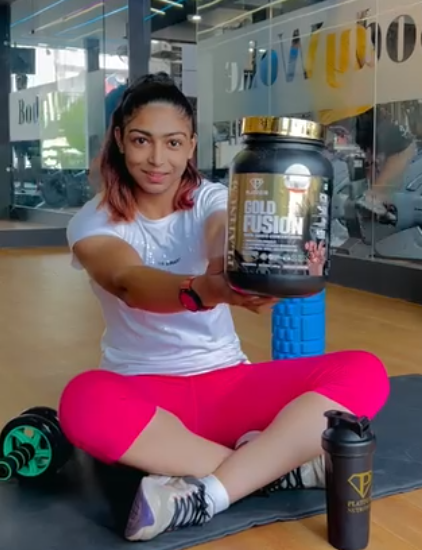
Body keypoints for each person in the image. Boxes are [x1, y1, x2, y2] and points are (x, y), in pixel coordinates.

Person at [58, 73, 390, 543]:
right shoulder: (92, 221)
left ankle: (205, 494)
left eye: (173, 142)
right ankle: (278, 469)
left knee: (365, 372)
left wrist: (236, 272)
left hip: (229, 384)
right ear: (119, 140)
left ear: (191, 145)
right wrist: (207, 290)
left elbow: (223, 236)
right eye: (141, 140)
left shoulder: (212, 199)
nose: (158, 159)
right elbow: (127, 282)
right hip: (147, 398)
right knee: (83, 402)